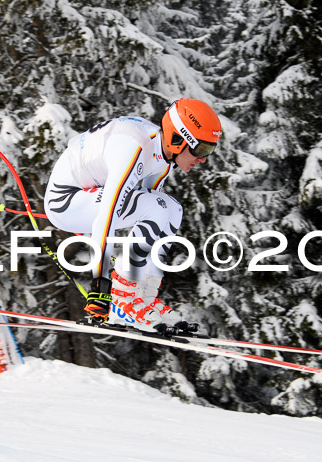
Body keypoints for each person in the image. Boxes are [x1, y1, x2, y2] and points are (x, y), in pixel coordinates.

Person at [44, 99, 222, 332]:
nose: (203, 159)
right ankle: (122, 301)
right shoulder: (133, 147)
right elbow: (108, 215)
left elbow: (151, 221)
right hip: (66, 200)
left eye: (210, 150)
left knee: (172, 209)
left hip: (89, 196)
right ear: (179, 139)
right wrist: (101, 284)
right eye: (201, 149)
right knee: (156, 206)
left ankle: (143, 299)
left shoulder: (162, 157)